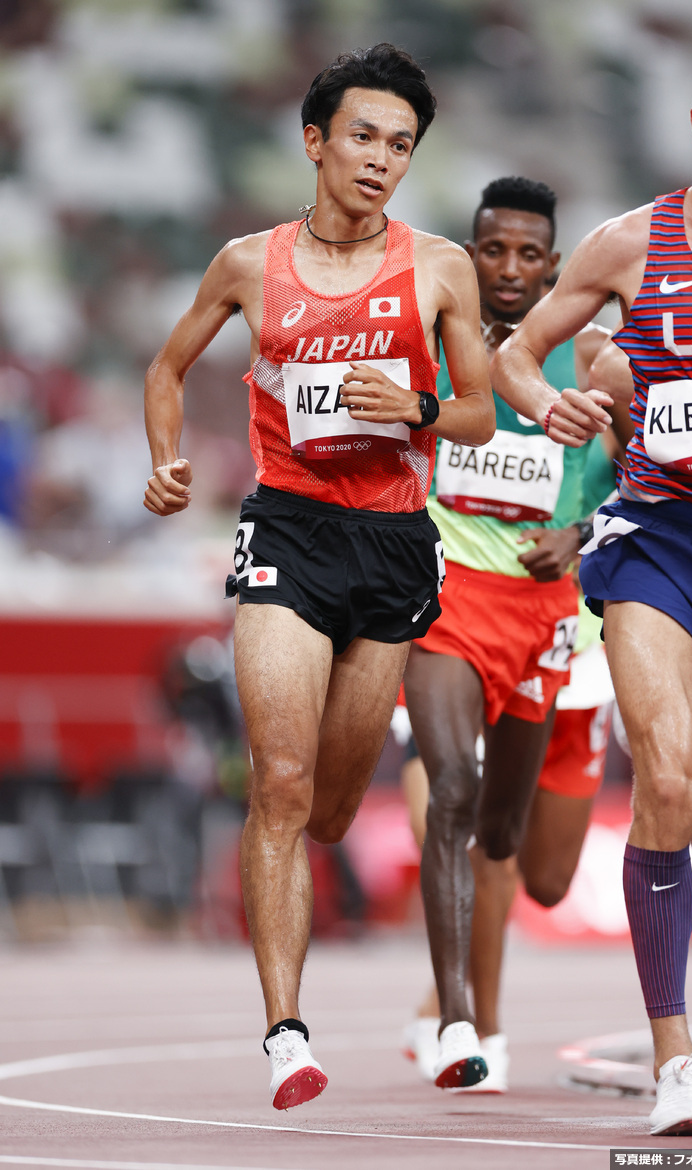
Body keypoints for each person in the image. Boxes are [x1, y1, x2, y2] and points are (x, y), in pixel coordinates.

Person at [143, 42, 494, 1110]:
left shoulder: (439, 267)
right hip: (286, 528)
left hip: (391, 545)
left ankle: (313, 855)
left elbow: (479, 411)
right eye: (363, 137)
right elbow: (167, 367)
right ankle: (286, 1032)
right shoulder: (251, 263)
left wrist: (421, 411)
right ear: (315, 142)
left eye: (401, 143)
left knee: (334, 805)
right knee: (281, 783)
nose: (382, 159)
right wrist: (165, 458)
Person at [491, 32, 692, 1137]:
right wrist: (544, 397)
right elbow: (523, 351)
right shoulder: (627, 244)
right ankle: (673, 1062)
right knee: (660, 782)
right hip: (659, 539)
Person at [403, 175, 612, 1090]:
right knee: (452, 789)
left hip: (566, 635)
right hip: (453, 604)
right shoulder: (434, 344)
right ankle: (462, 1024)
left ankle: (457, 1006)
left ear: (557, 266)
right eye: (495, 250)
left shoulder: (596, 358)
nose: (512, 269)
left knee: (535, 869)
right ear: (471, 251)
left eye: (532, 254)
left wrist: (581, 533)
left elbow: (650, 479)